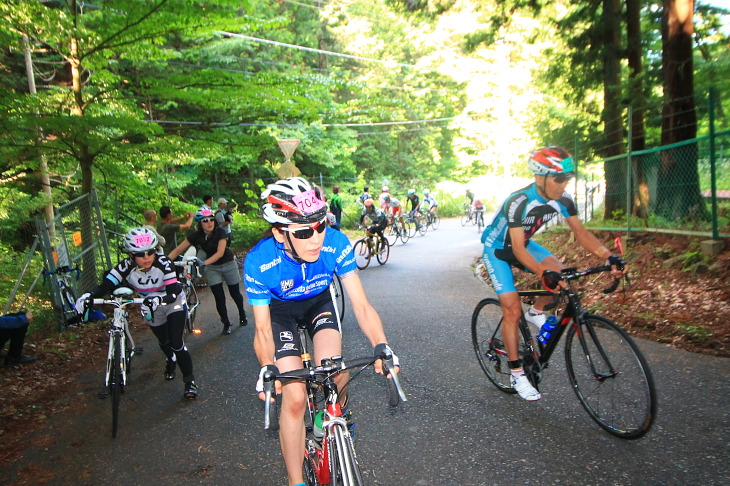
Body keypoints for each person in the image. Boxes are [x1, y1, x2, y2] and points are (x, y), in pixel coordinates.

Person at [243, 177, 399, 486]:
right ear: (279, 232)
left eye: (320, 225)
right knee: (295, 395)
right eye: (303, 232)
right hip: (280, 312)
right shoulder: (260, 262)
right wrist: (266, 367)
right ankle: (295, 480)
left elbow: (362, 306)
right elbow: (262, 331)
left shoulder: (335, 243)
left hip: (318, 302)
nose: (315, 239)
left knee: (335, 370)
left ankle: (335, 410)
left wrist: (382, 345)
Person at [481, 146, 625, 401]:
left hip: (523, 245)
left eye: (567, 178)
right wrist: (542, 272)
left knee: (562, 275)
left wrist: (608, 256)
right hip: (499, 250)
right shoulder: (519, 201)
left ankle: (536, 312)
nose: (564, 184)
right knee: (512, 309)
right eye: (559, 178)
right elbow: (515, 249)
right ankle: (516, 373)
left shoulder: (563, 200)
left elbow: (581, 234)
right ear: (540, 178)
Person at [74, 228, 198, 399]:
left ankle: (189, 381)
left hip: (172, 302)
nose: (146, 257)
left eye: (150, 252)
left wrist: (158, 299)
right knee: (163, 340)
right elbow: (107, 285)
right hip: (149, 305)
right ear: (131, 254)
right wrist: (89, 295)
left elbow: (173, 290)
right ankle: (171, 359)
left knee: (176, 342)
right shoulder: (125, 266)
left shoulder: (164, 262)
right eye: (140, 254)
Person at [169, 207, 248, 334]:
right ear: (199, 223)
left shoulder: (220, 232)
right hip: (212, 268)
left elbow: (220, 252)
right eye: (205, 220)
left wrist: (203, 263)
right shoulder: (195, 235)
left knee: (235, 294)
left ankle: (242, 314)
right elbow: (178, 250)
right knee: (219, 297)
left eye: (211, 219)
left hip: (228, 264)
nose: (209, 222)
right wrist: (164, 262)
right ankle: (226, 323)